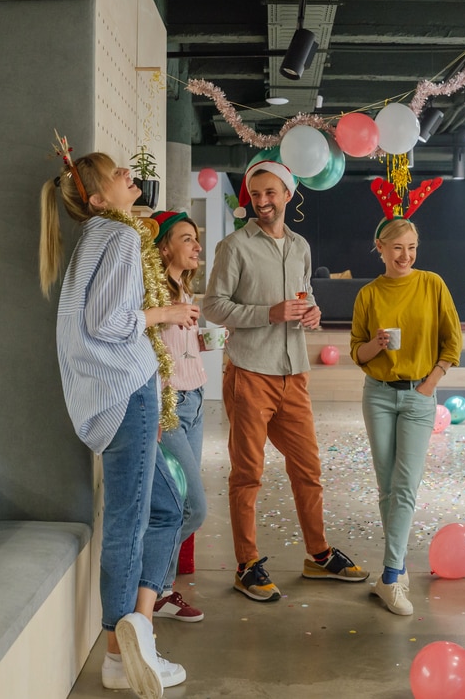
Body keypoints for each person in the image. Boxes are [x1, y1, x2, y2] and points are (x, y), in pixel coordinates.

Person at [39, 150, 199, 698]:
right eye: (118, 174)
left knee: (167, 507)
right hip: (127, 393)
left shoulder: (97, 238)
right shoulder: (122, 237)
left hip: (116, 395)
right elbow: (109, 323)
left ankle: (139, 628)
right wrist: (167, 315)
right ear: (100, 197)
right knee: (132, 521)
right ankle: (118, 651)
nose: (131, 176)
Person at [202, 159, 370, 602]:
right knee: (248, 474)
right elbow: (214, 307)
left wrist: (311, 310)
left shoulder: (299, 247)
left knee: (308, 471)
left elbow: (305, 294)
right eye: (255, 194)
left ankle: (318, 555)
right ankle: (246, 565)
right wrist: (267, 314)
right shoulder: (234, 246)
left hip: (293, 373)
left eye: (270, 193)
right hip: (249, 372)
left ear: (288, 194)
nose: (262, 202)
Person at [350, 217, 462, 615]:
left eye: (412, 247)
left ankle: (392, 573)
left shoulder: (432, 284)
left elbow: (453, 340)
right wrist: (376, 344)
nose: (406, 255)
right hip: (378, 395)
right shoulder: (368, 294)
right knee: (387, 486)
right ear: (379, 247)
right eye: (397, 247)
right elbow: (356, 354)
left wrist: (431, 383)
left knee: (406, 486)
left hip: (419, 396)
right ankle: (394, 569)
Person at [150, 210, 208, 623]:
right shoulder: (154, 295)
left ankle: (162, 591)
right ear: (165, 245)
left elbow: (178, 352)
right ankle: (149, 581)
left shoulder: (183, 290)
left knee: (180, 502)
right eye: (187, 238)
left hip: (196, 401)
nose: (196, 245)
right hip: (167, 408)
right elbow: (143, 354)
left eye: (195, 238)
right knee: (192, 507)